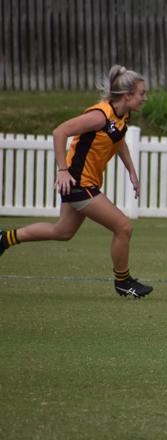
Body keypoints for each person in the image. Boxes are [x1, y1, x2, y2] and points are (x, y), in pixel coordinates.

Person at [0, 65, 153, 299]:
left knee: (63, 231)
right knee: (123, 227)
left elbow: (118, 138)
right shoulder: (99, 115)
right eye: (142, 93)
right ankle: (123, 281)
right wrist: (62, 170)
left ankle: (5, 239)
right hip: (79, 184)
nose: (145, 98)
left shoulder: (121, 116)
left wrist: (131, 170)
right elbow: (59, 132)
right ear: (127, 95)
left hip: (86, 183)